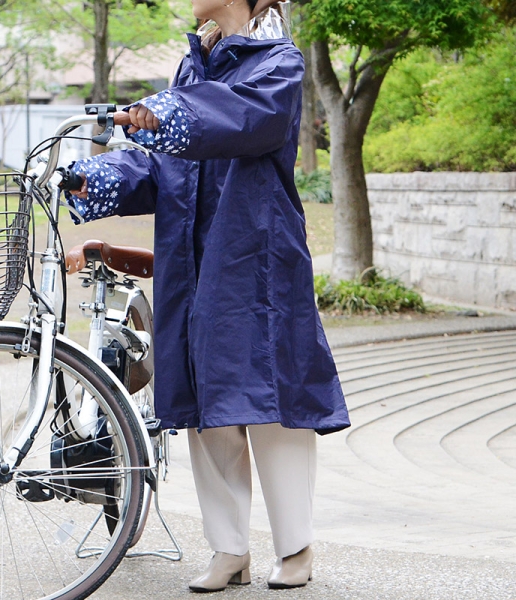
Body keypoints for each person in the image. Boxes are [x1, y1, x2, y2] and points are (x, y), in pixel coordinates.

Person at [66, 0, 350, 591]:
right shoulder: (191, 70)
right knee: (206, 406)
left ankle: (294, 546)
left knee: (269, 402)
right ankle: (229, 548)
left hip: (257, 257)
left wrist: (162, 112)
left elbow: (245, 119)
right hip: (193, 261)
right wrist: (95, 178)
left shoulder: (279, 62)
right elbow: (164, 166)